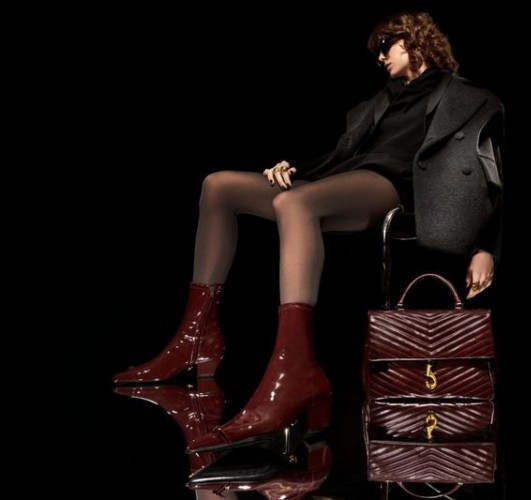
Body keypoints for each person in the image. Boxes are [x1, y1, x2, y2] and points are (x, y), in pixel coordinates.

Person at [113, 10, 504, 457]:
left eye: (385, 46)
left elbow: (495, 180)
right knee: (218, 186)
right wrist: (295, 170)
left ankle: (295, 372)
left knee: (294, 203)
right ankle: (196, 341)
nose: (379, 57)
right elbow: (343, 158)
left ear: (414, 40)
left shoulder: (471, 99)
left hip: (397, 190)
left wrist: (485, 248)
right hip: (345, 181)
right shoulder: (380, 103)